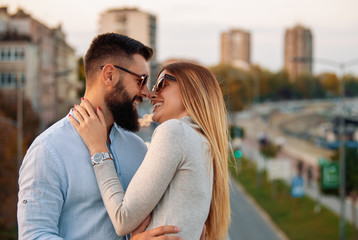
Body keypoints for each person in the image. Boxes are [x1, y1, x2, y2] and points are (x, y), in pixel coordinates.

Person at [17, 33, 182, 240]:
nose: (146, 93)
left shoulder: (137, 147)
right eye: (141, 80)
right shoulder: (48, 150)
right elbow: (34, 236)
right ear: (109, 75)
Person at [70, 62, 231, 239]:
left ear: (191, 90)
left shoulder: (174, 131)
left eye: (163, 84)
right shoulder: (204, 143)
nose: (152, 95)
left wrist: (98, 148)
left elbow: (122, 219)